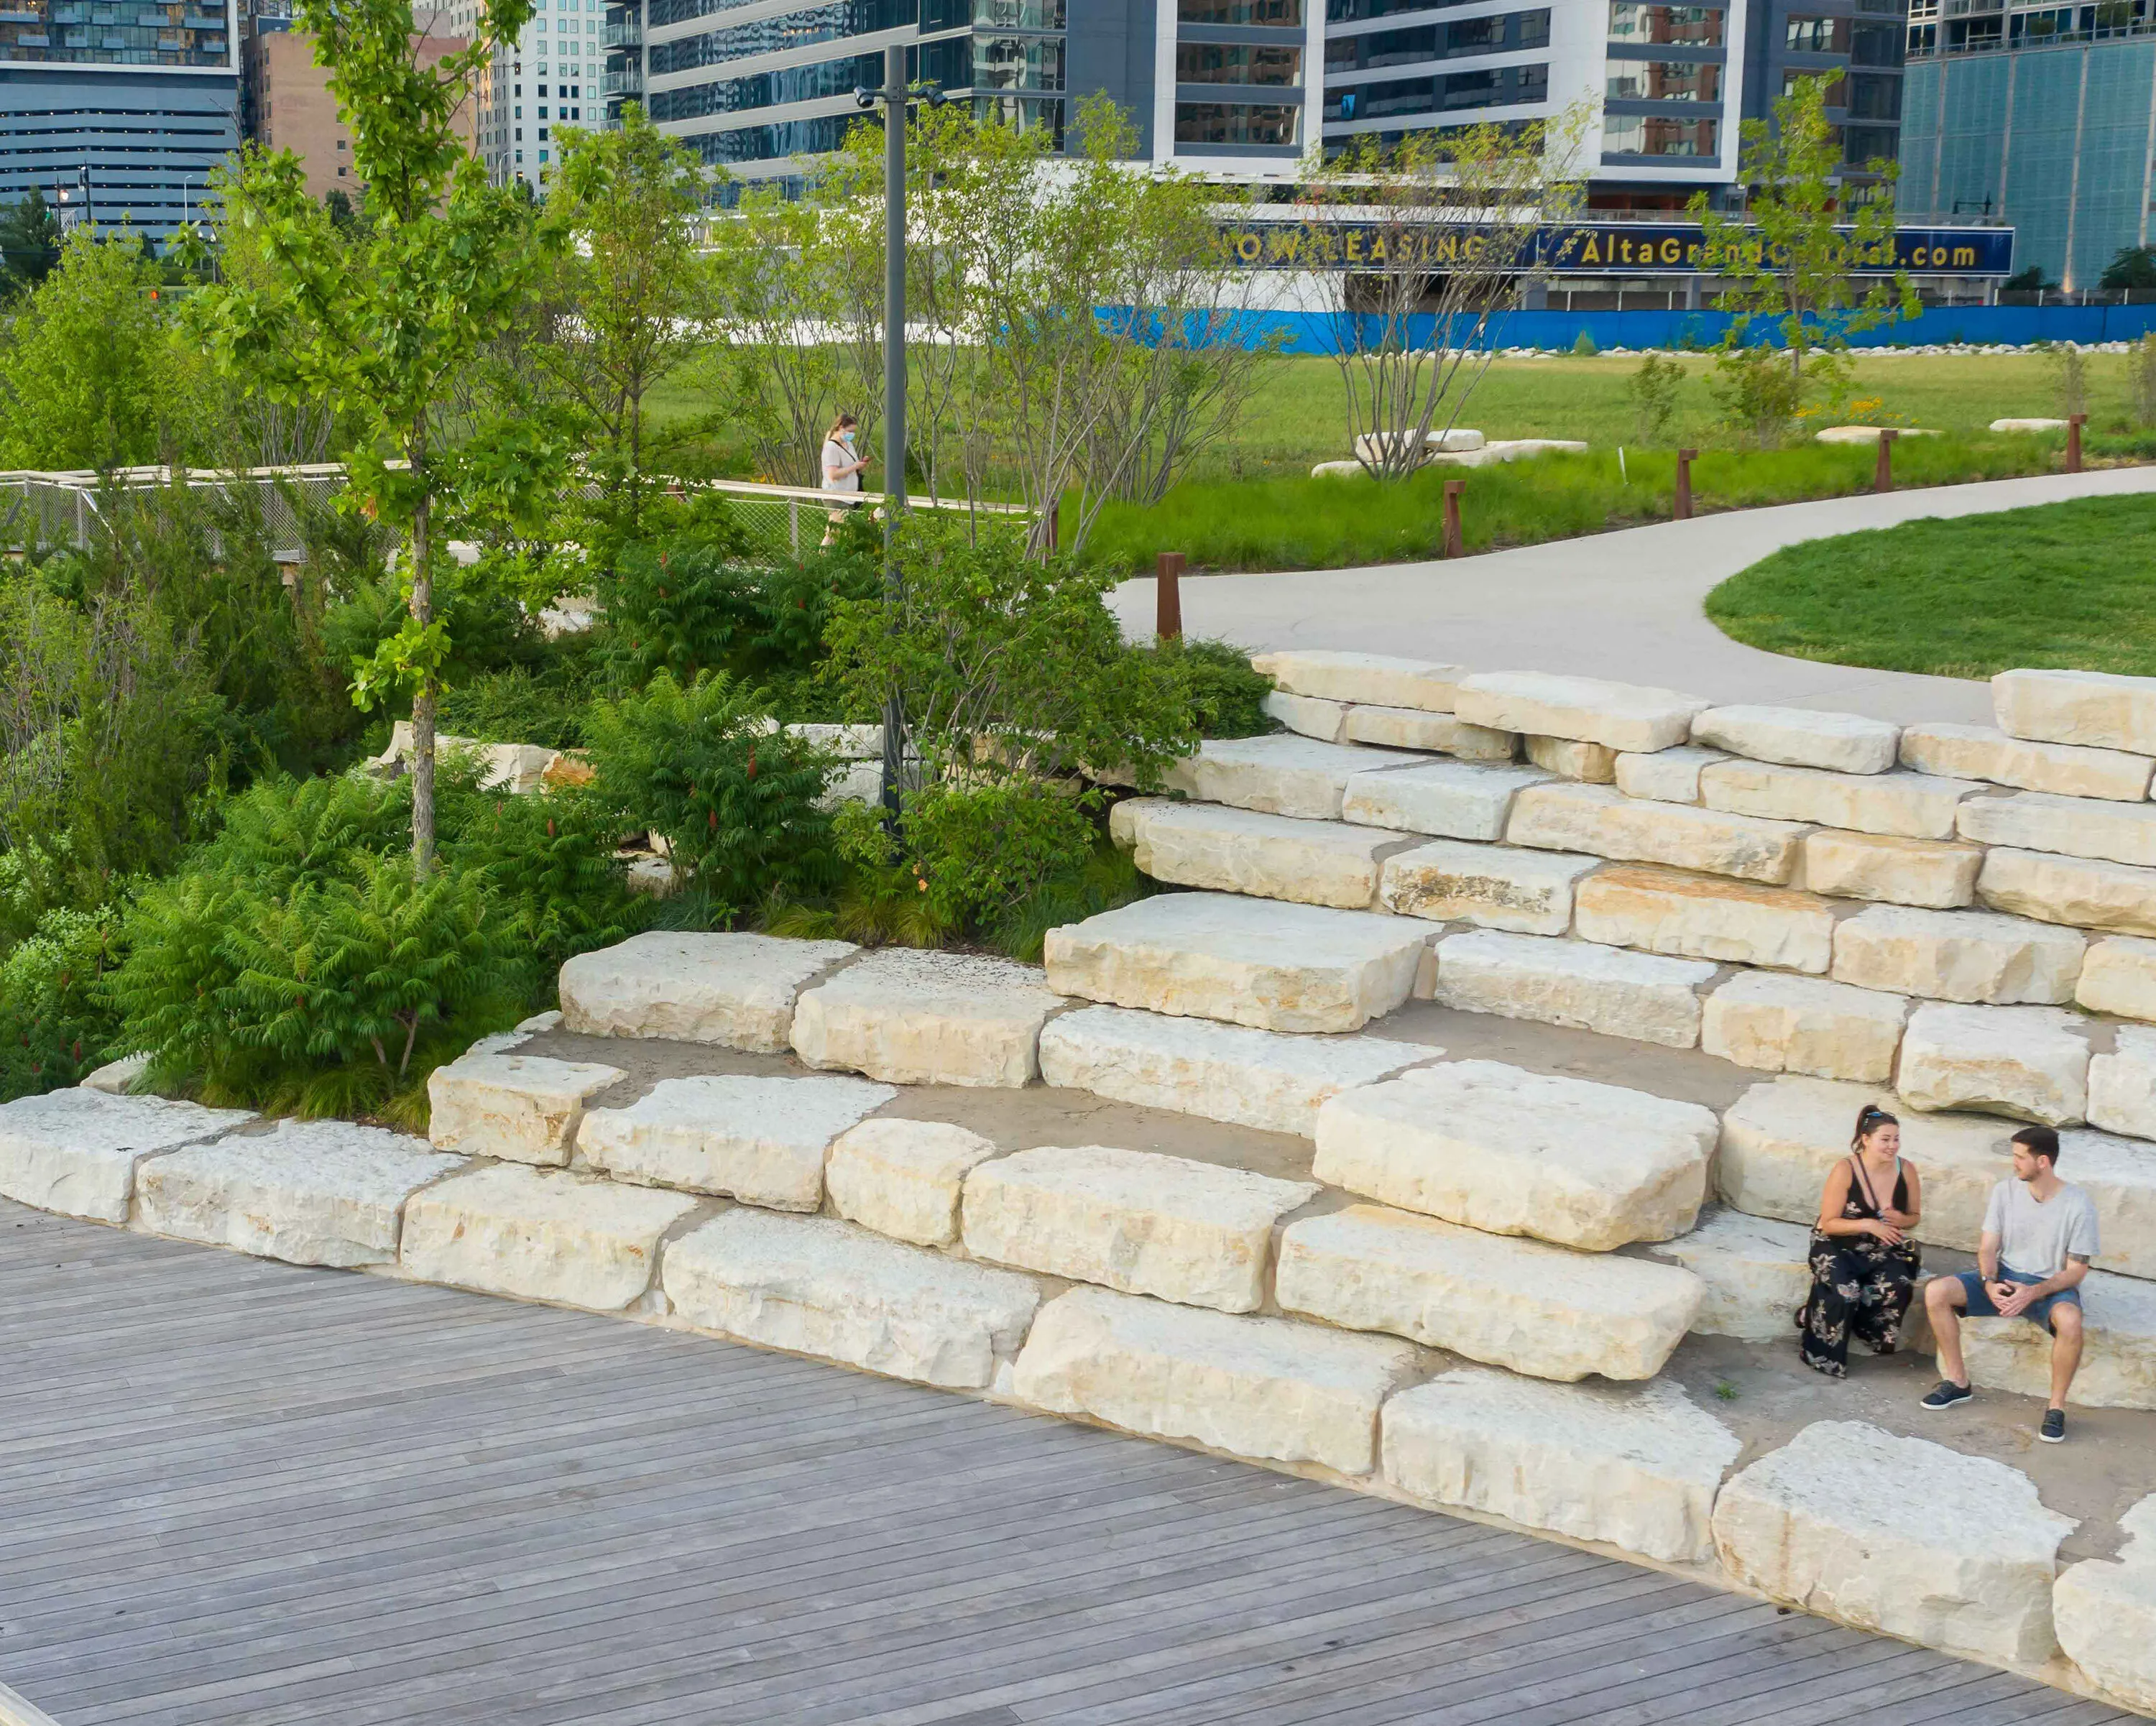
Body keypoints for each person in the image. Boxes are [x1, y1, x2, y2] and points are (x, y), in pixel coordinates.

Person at [1921, 1125, 2099, 1443]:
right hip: (2003, 1275)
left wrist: (2033, 1292)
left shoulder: (2078, 1205)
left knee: (2071, 1321)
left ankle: (2056, 1409)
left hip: (2049, 1285)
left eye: (2019, 1157)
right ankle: (1958, 1382)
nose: (2013, 1162)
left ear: (2042, 1161)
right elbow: (1987, 1248)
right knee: (1937, 1292)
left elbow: (2076, 1272)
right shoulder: (2005, 1191)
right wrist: (1989, 1283)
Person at [1797, 1104, 1923, 1377]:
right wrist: (1868, 1224)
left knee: (1898, 1284)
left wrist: (1900, 1220)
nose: (1893, 1146)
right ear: (1866, 1140)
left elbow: (1914, 1216)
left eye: (1896, 1139)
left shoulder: (1907, 1170)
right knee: (1846, 1290)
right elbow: (1829, 1223)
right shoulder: (1845, 1170)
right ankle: (1822, 1353)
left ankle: (1863, 1330)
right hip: (1835, 1243)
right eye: (1885, 1139)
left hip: (1881, 1246)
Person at [820, 412, 870, 545]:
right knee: (836, 533)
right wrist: (854, 467)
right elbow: (833, 475)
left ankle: (826, 559)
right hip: (836, 496)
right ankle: (823, 559)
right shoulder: (832, 447)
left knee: (838, 534)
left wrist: (860, 465)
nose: (851, 435)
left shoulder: (848, 445)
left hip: (849, 496)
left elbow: (851, 466)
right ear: (841, 428)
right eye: (850, 431)